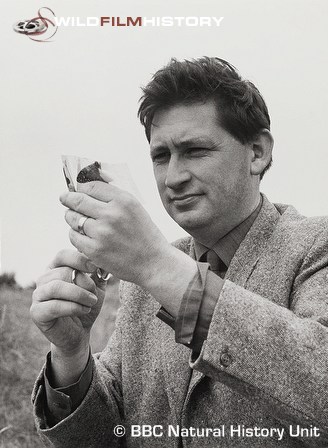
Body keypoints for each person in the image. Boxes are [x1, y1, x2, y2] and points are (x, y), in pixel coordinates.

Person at [31, 57, 328, 447]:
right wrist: (71, 354)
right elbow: (110, 437)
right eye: (161, 156)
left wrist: (155, 264)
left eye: (196, 150)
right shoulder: (146, 279)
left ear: (257, 151)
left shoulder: (316, 245)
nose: (173, 177)